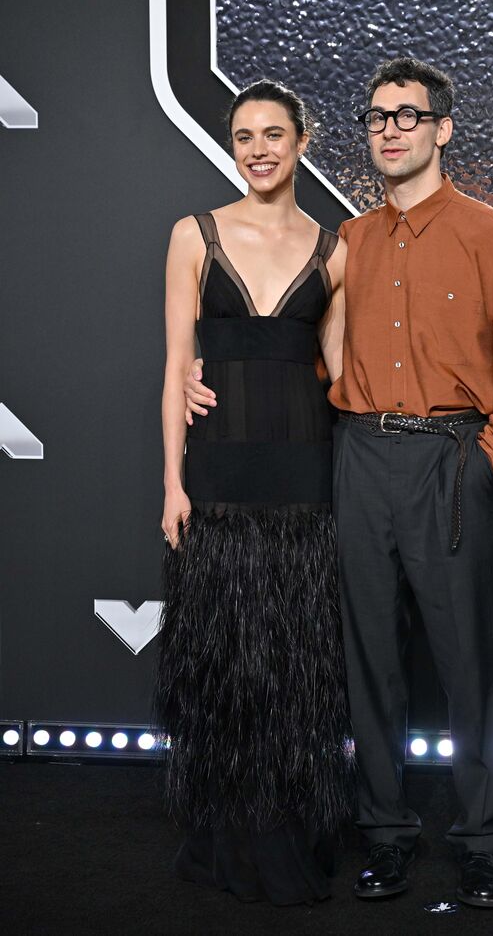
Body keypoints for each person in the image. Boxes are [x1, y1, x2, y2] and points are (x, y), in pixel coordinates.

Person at [184, 57, 493, 908]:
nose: (390, 129)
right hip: (356, 456)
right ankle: (386, 835)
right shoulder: (348, 241)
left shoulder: (491, 235)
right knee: (368, 663)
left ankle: (479, 842)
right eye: (377, 117)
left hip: (451, 459)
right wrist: (191, 374)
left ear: (442, 128)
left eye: (407, 115)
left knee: (465, 660)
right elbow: (280, 336)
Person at [154, 78, 353, 907]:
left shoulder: (336, 249)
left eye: (275, 133)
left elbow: (341, 376)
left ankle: (285, 838)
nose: (259, 148)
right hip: (221, 480)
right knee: (225, 666)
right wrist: (172, 482)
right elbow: (174, 371)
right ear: (232, 146)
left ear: (302, 141)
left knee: (294, 672)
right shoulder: (193, 235)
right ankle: (225, 841)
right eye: (244, 135)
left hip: (305, 482)